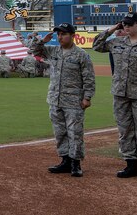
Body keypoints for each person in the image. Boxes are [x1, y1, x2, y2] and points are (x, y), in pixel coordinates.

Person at [93, 12, 137, 180]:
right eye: (124, 24)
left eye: (130, 24)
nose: (126, 26)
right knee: (125, 130)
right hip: (120, 95)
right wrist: (113, 29)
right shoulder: (116, 42)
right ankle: (130, 164)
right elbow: (96, 45)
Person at [31, 23, 95, 177]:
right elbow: (34, 50)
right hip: (55, 99)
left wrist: (87, 97)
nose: (60, 37)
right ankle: (65, 160)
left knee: (75, 133)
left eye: (63, 34)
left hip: (74, 101)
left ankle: (75, 163)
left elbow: (89, 77)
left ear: (73, 36)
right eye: (58, 34)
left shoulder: (81, 55)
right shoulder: (53, 51)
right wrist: (42, 41)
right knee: (60, 132)